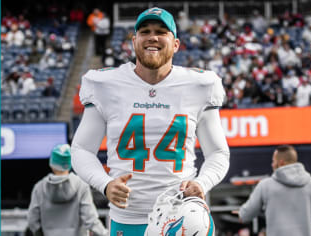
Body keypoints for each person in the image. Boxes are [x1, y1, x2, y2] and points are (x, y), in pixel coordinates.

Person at [71, 7, 230, 235]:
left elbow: (218, 153)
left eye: (161, 31)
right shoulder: (105, 84)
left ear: (175, 44)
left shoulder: (200, 86)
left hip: (180, 215)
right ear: (134, 41)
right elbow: (81, 149)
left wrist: (202, 183)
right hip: (128, 218)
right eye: (145, 31)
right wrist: (105, 184)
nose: (152, 36)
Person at [238, 145, 311, 236]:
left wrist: (238, 212)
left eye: (273, 161)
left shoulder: (265, 186)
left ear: (281, 163)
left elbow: (245, 216)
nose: (272, 164)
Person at [27, 144, 108, 236]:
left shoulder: (39, 188)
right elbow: (90, 219)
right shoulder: (81, 186)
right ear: (70, 163)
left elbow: (32, 220)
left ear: (52, 163)